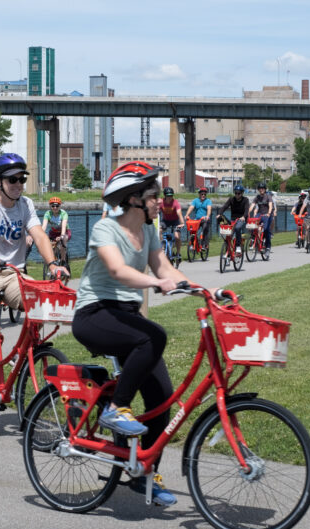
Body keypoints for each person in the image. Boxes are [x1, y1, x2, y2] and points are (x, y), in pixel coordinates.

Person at [71, 161, 189, 507]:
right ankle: (115, 407)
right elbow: (117, 270)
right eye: (154, 195)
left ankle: (141, 471)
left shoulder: (149, 231)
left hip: (125, 316)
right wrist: (156, 282)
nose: (160, 201)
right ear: (135, 199)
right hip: (94, 313)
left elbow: (164, 266)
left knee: (162, 399)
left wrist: (204, 289)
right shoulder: (105, 230)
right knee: (153, 336)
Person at [0, 153, 66, 428]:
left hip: (12, 273)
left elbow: (39, 234)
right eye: (12, 179)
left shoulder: (26, 204)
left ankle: (24, 351)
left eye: (22, 179)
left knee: (42, 304)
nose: (19, 184)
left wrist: (53, 264)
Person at [217, 185, 249, 254]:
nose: (237, 195)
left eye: (239, 193)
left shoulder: (245, 200)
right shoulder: (231, 199)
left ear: (242, 193)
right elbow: (224, 207)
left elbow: (246, 210)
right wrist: (219, 214)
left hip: (241, 219)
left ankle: (238, 246)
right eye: (236, 193)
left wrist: (244, 217)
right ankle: (227, 255)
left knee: (237, 228)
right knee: (228, 236)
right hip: (233, 219)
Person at [248, 182, 275, 256]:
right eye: (260, 189)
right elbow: (252, 206)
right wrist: (247, 213)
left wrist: (269, 213)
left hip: (267, 214)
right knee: (252, 224)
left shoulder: (268, 196)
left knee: (266, 230)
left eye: (262, 188)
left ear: (265, 189)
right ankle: (254, 239)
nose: (261, 190)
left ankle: (268, 247)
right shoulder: (257, 197)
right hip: (260, 214)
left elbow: (270, 206)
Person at [42, 196, 70, 262]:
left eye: (57, 206)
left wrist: (62, 236)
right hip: (53, 232)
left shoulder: (63, 213)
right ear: (50, 206)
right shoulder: (47, 213)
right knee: (51, 247)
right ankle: (53, 261)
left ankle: (63, 260)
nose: (55, 207)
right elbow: (44, 226)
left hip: (64, 231)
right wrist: (40, 235)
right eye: (53, 206)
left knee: (63, 241)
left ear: (60, 206)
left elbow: (64, 226)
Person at [158, 186, 183, 255]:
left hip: (175, 221)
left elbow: (179, 213)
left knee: (177, 237)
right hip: (165, 221)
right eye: (168, 196)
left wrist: (182, 223)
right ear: (165, 196)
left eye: (171, 195)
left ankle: (178, 253)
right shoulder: (161, 202)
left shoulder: (175, 203)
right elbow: (156, 211)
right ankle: (163, 247)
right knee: (159, 230)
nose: (170, 197)